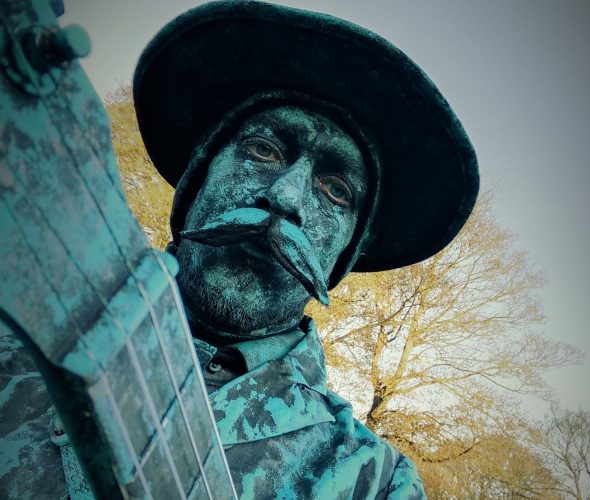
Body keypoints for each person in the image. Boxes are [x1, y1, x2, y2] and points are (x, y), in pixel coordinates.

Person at [1, 1, 478, 498]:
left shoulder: (373, 483)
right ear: (197, 178)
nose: (285, 197)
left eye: (336, 191)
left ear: (344, 255)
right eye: (264, 150)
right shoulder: (9, 348)